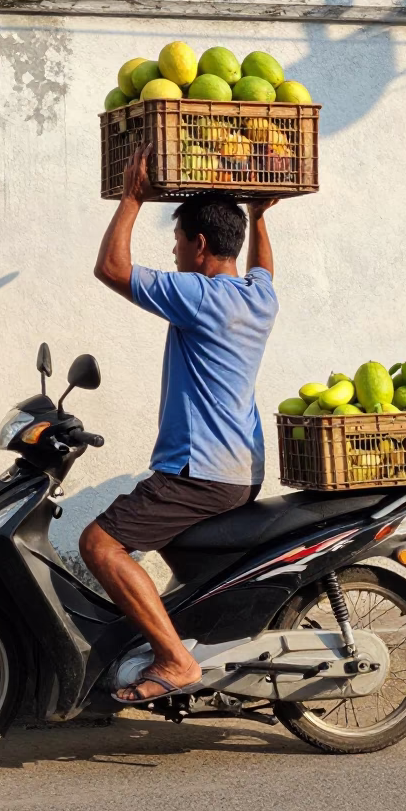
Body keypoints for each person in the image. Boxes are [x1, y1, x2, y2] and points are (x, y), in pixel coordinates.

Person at [79, 142, 279, 704]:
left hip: (200, 472)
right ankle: (178, 642)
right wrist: (260, 215)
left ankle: (176, 660)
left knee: (100, 544)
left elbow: (111, 268)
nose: (171, 252)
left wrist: (131, 198)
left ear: (198, 244)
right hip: (241, 468)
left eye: (175, 241)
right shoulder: (258, 297)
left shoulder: (200, 295)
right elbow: (263, 265)